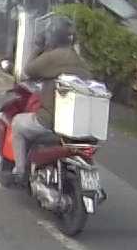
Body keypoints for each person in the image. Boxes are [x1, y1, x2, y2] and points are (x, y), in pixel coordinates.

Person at [10, 17, 93, 184]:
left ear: (52, 37)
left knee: (17, 123)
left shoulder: (52, 57)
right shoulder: (81, 62)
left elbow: (28, 70)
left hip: (50, 122)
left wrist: (38, 47)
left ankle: (20, 171)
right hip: (76, 127)